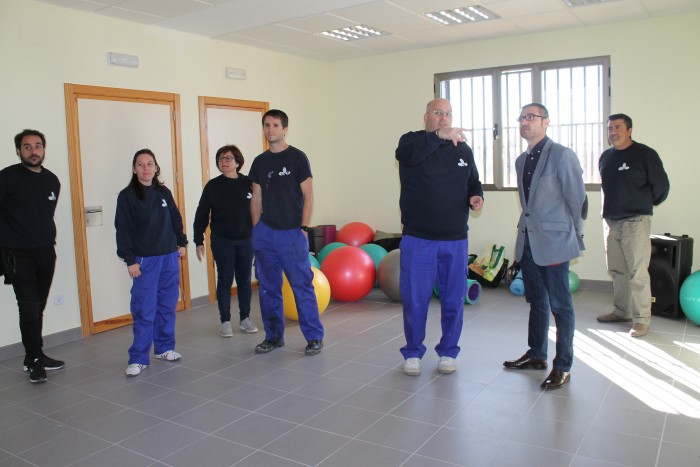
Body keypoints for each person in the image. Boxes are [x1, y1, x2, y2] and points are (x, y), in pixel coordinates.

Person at [395, 98, 484, 376]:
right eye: (438, 113)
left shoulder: (463, 149)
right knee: (415, 299)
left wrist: (476, 195)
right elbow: (405, 156)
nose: (444, 118)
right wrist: (438, 137)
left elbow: (474, 180)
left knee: (453, 299)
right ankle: (412, 352)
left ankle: (448, 352)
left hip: (455, 239)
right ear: (426, 117)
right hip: (419, 238)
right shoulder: (412, 142)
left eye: (448, 114)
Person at [503, 103, 586, 390]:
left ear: (546, 122)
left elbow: (577, 200)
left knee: (561, 306)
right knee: (536, 301)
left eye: (531, 117)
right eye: (522, 118)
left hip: (555, 241)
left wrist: (575, 235)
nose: (525, 122)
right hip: (528, 241)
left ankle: (563, 366)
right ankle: (537, 354)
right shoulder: (521, 160)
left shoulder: (562, 155)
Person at [248, 109, 324, 356]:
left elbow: (309, 195)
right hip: (266, 234)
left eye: (275, 125)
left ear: (285, 128)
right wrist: (256, 228)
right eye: (266, 125)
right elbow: (256, 197)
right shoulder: (260, 161)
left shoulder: (298, 158)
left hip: (292, 233)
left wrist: (303, 227)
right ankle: (273, 337)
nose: (270, 129)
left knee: (302, 286)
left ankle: (313, 337)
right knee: (269, 288)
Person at [115, 149, 188, 377]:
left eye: (150, 164)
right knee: (144, 310)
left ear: (156, 168)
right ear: (135, 168)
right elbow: (123, 230)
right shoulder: (127, 196)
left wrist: (182, 242)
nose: (146, 168)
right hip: (144, 261)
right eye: (140, 164)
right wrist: (130, 260)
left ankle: (165, 348)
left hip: (169, 257)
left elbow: (175, 219)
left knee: (167, 306)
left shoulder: (164, 192)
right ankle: (138, 358)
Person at [596, 114, 669, 337]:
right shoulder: (606, 157)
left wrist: (643, 204)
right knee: (617, 270)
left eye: (618, 127)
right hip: (611, 221)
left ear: (630, 130)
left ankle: (641, 320)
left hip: (636, 221)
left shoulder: (645, 154)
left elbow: (661, 187)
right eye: (609, 128)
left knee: (637, 272)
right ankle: (621, 311)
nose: (613, 132)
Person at [0, 129, 64, 383]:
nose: (33, 151)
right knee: (28, 306)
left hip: (46, 251)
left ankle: (35, 354)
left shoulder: (52, 180)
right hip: (17, 254)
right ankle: (34, 359)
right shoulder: (7, 177)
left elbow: (45, 214)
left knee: (39, 305)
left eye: (38, 146)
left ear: (44, 149)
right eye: (27, 147)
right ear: (19, 151)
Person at [193, 145, 258, 337]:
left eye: (228, 158)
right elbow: (201, 214)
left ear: (237, 162)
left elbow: (260, 209)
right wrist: (198, 240)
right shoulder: (213, 186)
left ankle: (245, 319)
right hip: (223, 242)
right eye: (221, 158)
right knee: (224, 280)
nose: (224, 161)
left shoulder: (249, 183)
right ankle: (225, 321)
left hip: (247, 240)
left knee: (245, 281)